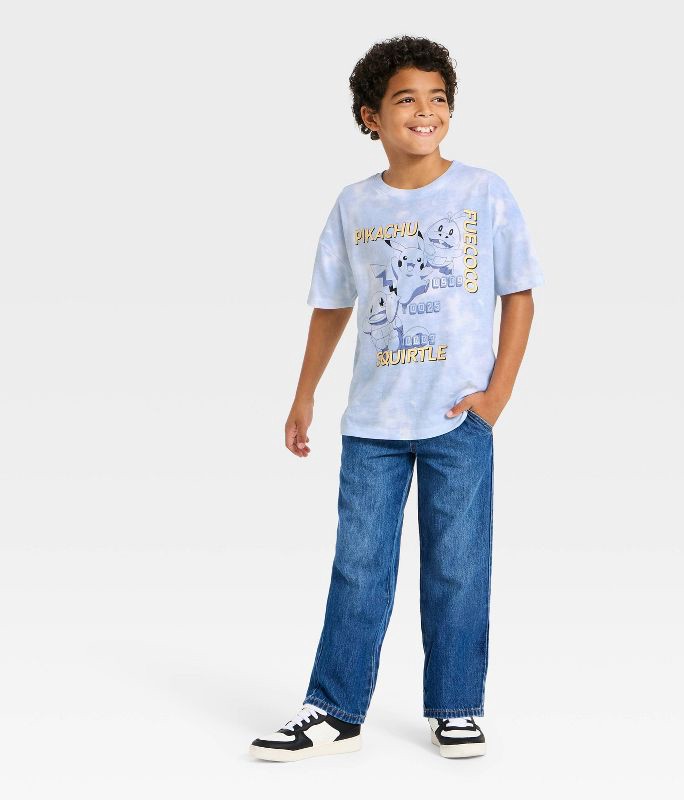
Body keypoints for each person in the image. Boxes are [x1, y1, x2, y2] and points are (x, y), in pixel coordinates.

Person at [250, 34, 544, 762]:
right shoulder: (354, 205)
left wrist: (496, 397)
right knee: (358, 567)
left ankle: (456, 707)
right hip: (373, 421)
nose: (425, 111)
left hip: (457, 419)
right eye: (406, 99)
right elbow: (331, 305)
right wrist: (304, 395)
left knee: (457, 568)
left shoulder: (483, 191)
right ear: (370, 116)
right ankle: (334, 709)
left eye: (438, 99)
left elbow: (519, 294)